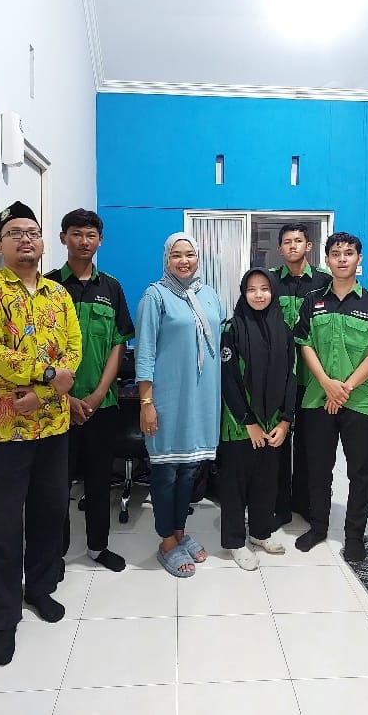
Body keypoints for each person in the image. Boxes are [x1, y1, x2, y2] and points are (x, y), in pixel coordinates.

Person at [0, 201, 81, 666]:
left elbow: (73, 349)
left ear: (44, 242)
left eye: (33, 232)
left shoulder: (58, 294)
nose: (26, 239)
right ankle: (5, 616)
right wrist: (44, 374)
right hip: (3, 430)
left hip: (52, 425)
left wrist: (44, 393)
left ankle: (40, 588)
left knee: (49, 513)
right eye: (16, 233)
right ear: (1, 242)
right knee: (3, 525)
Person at [294, 232, 368, 562]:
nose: (342, 259)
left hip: (359, 402)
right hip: (318, 398)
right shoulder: (312, 301)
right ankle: (318, 527)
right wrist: (327, 383)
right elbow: (304, 344)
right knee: (318, 469)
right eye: (336, 253)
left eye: (348, 253)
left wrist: (345, 388)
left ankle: (354, 535)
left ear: (358, 259)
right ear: (326, 259)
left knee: (359, 472)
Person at [47, 209, 134, 573]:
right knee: (56, 485)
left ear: (100, 240)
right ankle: (55, 554)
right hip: (55, 406)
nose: (84, 241)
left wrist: (98, 395)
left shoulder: (111, 288)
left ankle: (98, 547)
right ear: (63, 237)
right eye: (77, 234)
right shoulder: (48, 286)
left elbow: (118, 343)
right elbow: (40, 350)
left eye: (91, 235)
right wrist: (66, 398)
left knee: (99, 481)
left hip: (102, 405)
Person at [134, 232, 223, 578]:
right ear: (166, 259)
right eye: (177, 255)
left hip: (201, 400)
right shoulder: (155, 296)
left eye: (190, 255)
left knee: (189, 470)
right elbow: (144, 352)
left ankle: (180, 531)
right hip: (168, 400)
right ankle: (166, 542)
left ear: (198, 258)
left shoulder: (209, 295)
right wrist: (146, 402)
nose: (184, 261)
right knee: (166, 471)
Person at [220, 269, 296, 569]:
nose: (259, 294)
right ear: (243, 293)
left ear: (273, 292)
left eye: (265, 288)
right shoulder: (232, 328)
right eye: (251, 289)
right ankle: (235, 542)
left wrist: (285, 421)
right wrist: (248, 421)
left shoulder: (284, 329)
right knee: (236, 485)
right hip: (240, 423)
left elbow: (291, 377)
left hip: (273, 422)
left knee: (266, 481)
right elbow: (228, 380)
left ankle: (260, 532)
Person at [270, 222, 331, 529]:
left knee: (310, 445)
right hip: (278, 379)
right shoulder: (269, 281)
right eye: (287, 241)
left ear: (309, 246)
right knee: (278, 445)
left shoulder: (325, 282)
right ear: (280, 248)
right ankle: (279, 506)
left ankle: (305, 504)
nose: (292, 245)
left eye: (298, 241)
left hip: (312, 379)